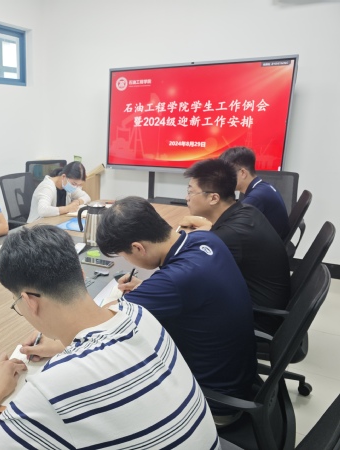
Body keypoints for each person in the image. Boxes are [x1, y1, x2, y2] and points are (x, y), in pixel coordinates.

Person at [0, 225, 220, 449]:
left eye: (16, 305)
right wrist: (61, 347)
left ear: (29, 301)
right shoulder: (138, 314)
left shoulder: (53, 388)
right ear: (81, 275)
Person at [96, 196, 256, 426]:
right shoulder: (205, 238)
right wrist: (149, 289)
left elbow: (101, 321)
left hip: (213, 402)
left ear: (138, 248)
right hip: (235, 377)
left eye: (125, 256)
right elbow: (188, 288)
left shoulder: (175, 280)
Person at [180, 159, 291, 335]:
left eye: (191, 192)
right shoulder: (246, 211)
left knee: (178, 304)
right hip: (262, 303)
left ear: (214, 198)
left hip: (256, 319)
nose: (187, 198)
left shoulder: (231, 236)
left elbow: (187, 271)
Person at [219, 146, 290, 239]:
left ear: (243, 173)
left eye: (227, 175)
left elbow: (229, 228)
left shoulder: (256, 197)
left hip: (267, 246)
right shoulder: (263, 187)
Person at [26, 161, 91, 223]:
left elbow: (87, 197)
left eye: (78, 185)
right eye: (74, 183)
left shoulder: (68, 186)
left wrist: (77, 202)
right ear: (64, 177)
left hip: (54, 222)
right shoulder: (47, 187)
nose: (75, 187)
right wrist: (67, 208)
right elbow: (43, 210)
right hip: (36, 226)